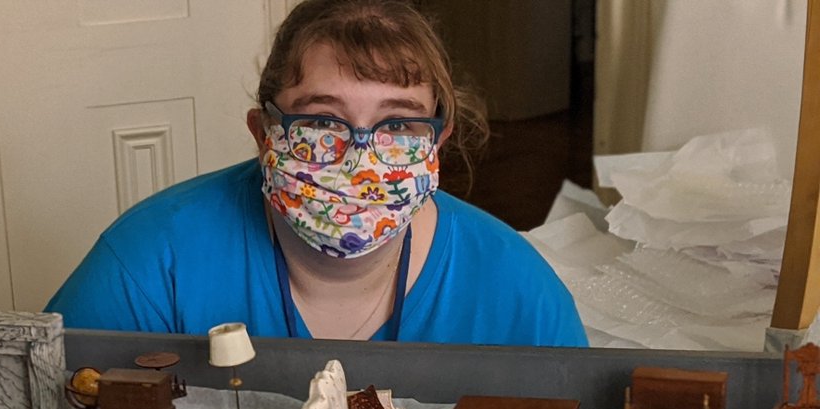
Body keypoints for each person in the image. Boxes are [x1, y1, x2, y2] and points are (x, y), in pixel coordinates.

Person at [45, 0, 587, 347]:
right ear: (264, 134)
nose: (359, 155)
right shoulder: (151, 260)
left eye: (397, 123)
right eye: (323, 122)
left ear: (436, 143)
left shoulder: (515, 289)